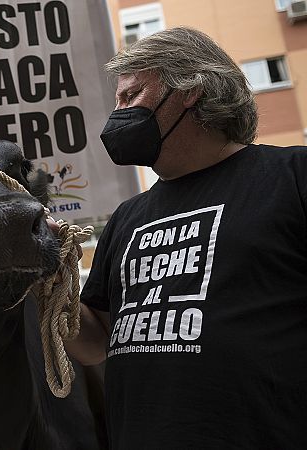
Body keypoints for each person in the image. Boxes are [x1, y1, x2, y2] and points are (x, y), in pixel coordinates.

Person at [66, 27, 307, 449]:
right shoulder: (127, 217)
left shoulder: (293, 177)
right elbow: (94, 342)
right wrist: (47, 284)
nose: (117, 113)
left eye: (131, 95)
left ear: (190, 88)